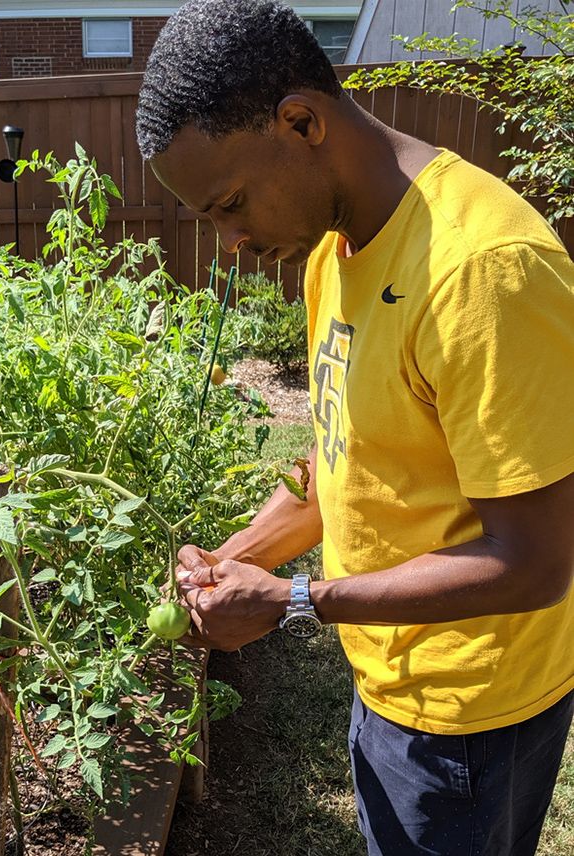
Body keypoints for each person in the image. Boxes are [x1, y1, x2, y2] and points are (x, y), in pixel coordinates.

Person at [135, 1, 574, 854]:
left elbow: (538, 561)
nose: (229, 244)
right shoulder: (336, 252)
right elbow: (345, 458)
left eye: (230, 204)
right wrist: (236, 560)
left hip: (469, 718)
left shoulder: (484, 273)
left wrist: (299, 599)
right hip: (390, 683)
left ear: (302, 122)